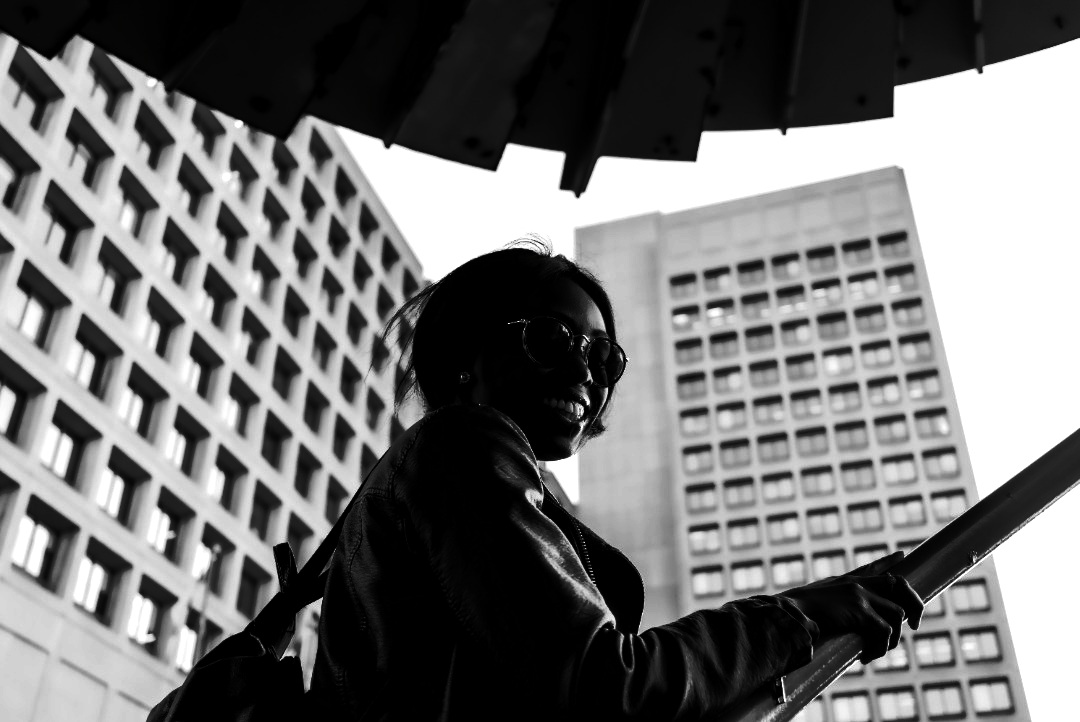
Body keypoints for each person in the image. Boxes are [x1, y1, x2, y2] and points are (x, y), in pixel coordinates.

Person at [308, 241, 923, 721]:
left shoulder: (443, 476)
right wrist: (796, 616)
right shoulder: (462, 445)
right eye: (550, 338)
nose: (584, 368)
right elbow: (604, 688)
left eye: (604, 358)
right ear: (465, 356)